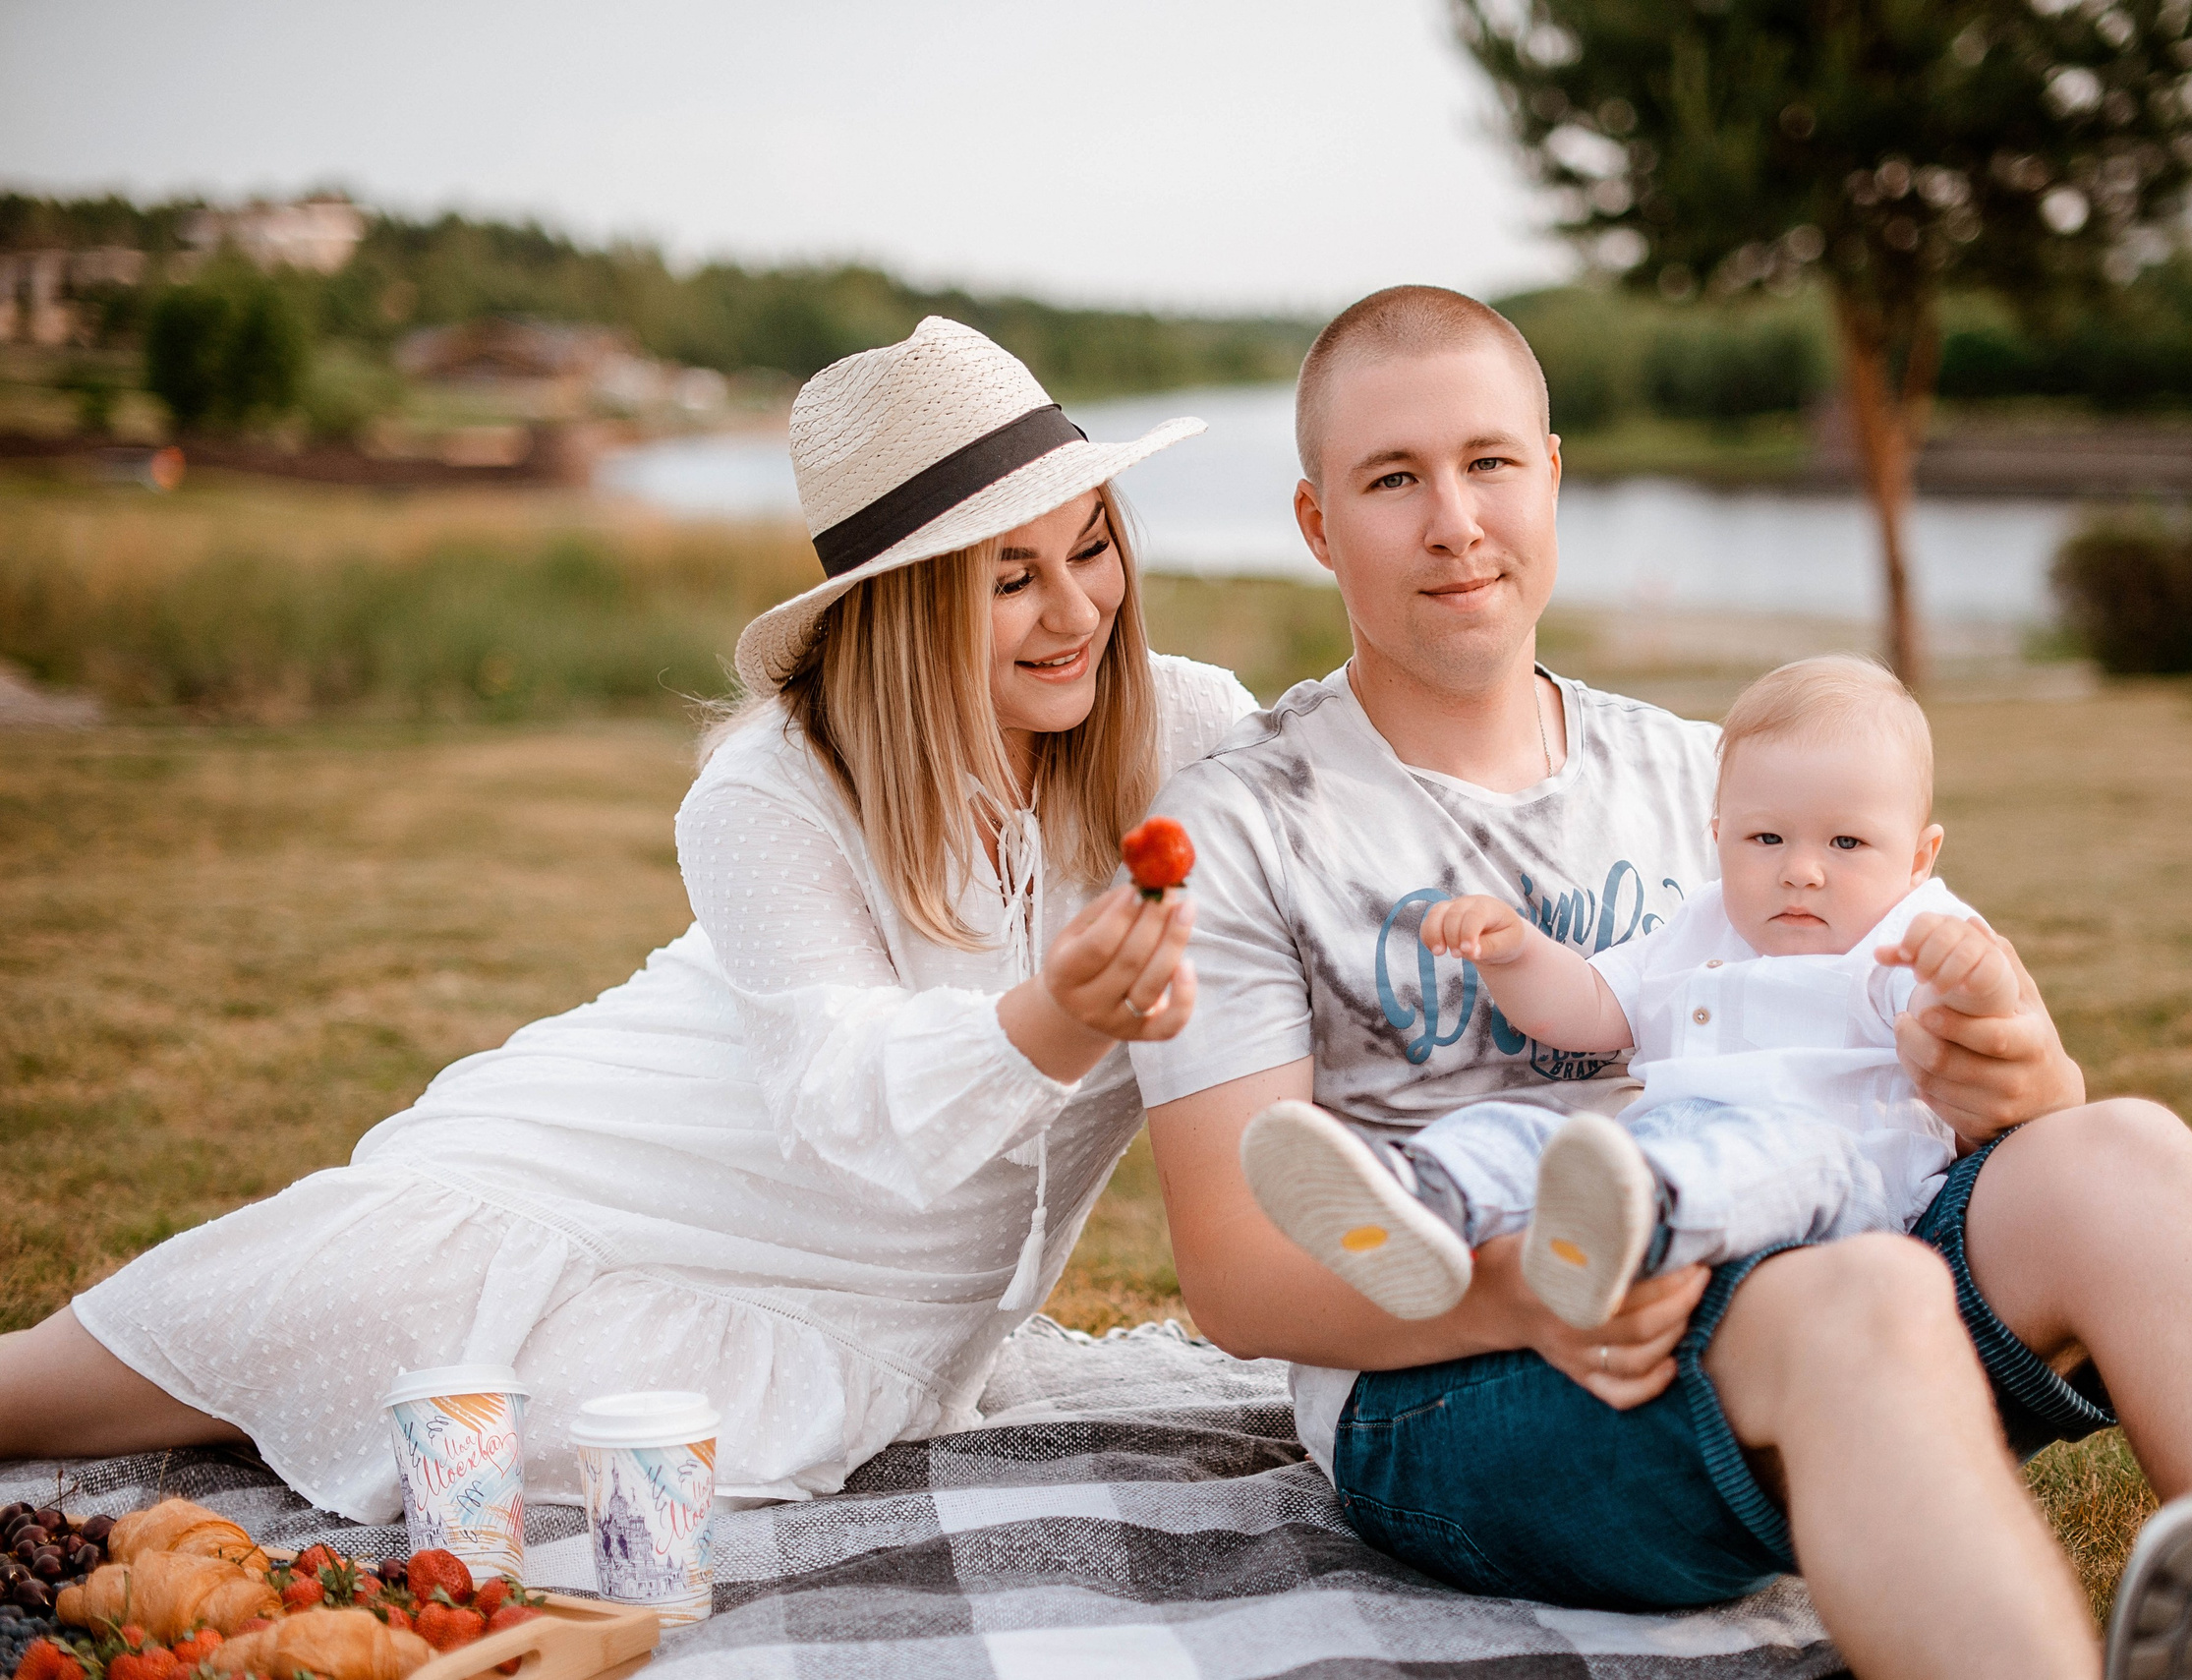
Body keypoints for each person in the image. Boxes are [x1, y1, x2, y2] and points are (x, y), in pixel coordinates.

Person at [1131, 285, 2192, 1680]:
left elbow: (1938, 1067)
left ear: (1551, 476)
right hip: (1459, 1384)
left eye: (1489, 462)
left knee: (2119, 1151)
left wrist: (2020, 1082)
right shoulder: (1246, 824)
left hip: (1782, 1263)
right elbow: (1238, 1272)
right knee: (1869, 1298)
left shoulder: (1710, 777)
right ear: (1315, 523)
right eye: (1392, 479)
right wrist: (1526, 1296)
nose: (1455, 521)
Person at [0, 318, 1257, 1521]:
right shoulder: (770, 786)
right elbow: (842, 1099)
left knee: (453, 1412)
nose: (1080, 610)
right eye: (1012, 575)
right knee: (157, 1371)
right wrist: (1056, 1014)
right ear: (907, 604)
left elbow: (1351, 840)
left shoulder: (1186, 728)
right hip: (609, 1159)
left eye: (1090, 546)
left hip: (864, 1309)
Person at [1240, 654, 2013, 1332]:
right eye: (1766, 838)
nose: (1800, 870)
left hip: (1836, 1179)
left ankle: (1624, 1232)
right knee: (1533, 1133)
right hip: (1655, 1147)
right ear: (1718, 836)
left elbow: (1966, 1026)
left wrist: (1970, 979)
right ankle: (1412, 1200)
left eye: (1846, 842)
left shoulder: (1910, 934)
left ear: (1919, 855)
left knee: (1767, 1154)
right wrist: (1515, 951)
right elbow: (1588, 1008)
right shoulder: (1700, 926)